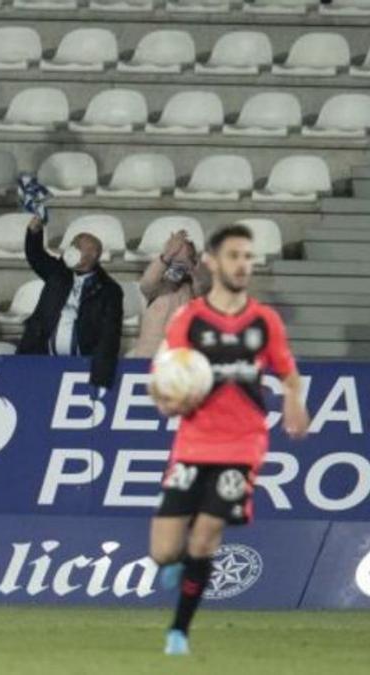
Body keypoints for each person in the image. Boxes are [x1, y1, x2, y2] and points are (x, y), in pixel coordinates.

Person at [148, 224, 310, 656]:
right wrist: (167, 399)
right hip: (192, 441)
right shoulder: (191, 320)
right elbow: (163, 373)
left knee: (205, 537)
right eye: (234, 256)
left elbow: (287, 373)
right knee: (164, 551)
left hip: (242, 444)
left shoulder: (263, 321)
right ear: (213, 263)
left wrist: (295, 402)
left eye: (247, 257)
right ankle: (175, 562)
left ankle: (178, 630)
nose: (242, 264)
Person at [17, 216, 124, 390]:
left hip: (81, 368)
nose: (71, 249)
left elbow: (109, 335)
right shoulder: (58, 273)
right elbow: (36, 256)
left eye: (78, 246)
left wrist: (99, 378)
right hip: (42, 362)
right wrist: (34, 232)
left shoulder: (109, 290)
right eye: (72, 244)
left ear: (93, 254)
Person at [130, 231, 210, 358]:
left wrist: (190, 265)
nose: (177, 266)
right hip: (150, 353)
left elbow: (203, 288)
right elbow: (147, 283)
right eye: (174, 259)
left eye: (183, 259)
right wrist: (167, 256)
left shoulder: (194, 288)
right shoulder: (158, 287)